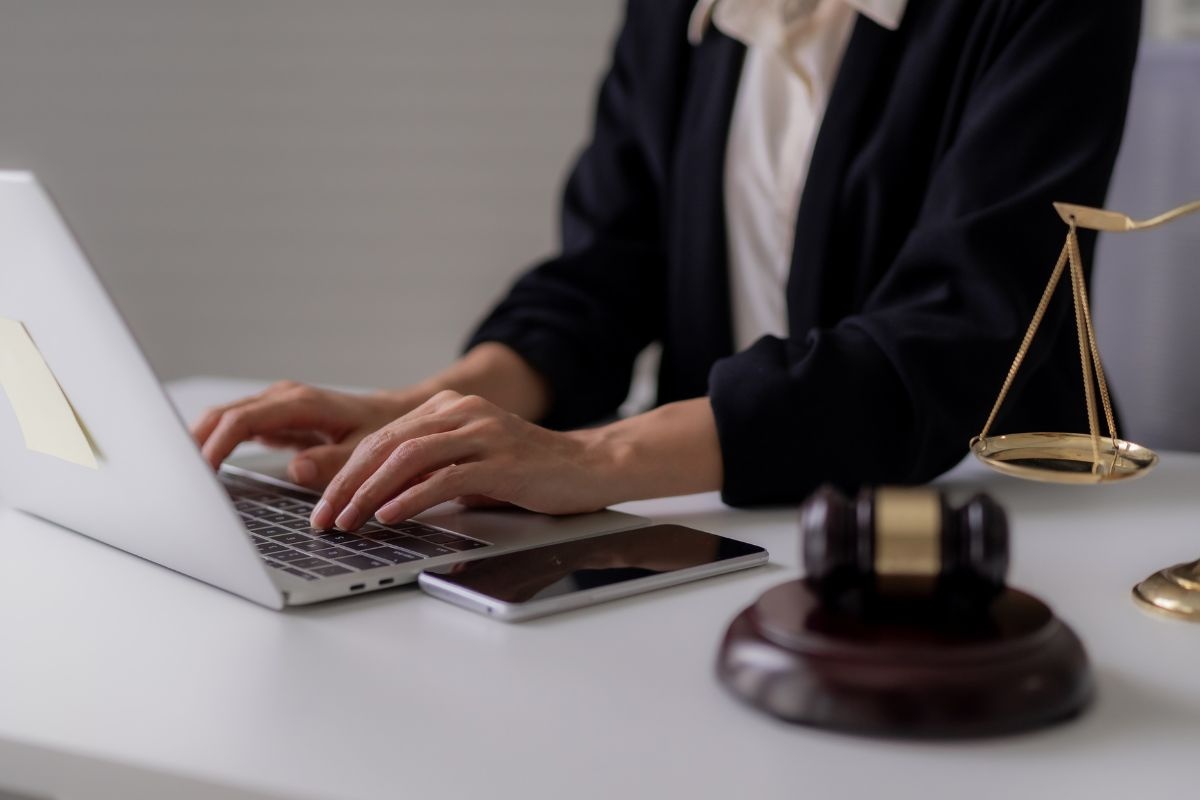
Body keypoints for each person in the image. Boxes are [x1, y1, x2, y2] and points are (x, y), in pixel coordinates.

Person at [192, 0, 1140, 533]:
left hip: (1000, 524)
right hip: (723, 519)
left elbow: (958, 337)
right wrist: (426, 407)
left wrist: (594, 458)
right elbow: (608, 268)